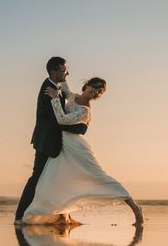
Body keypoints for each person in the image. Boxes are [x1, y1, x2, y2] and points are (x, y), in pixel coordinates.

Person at [22, 77, 144, 226]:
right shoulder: (73, 97)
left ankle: (136, 209)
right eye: (94, 88)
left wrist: (55, 98)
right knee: (61, 178)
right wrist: (64, 75)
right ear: (86, 85)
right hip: (62, 145)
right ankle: (64, 216)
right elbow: (65, 87)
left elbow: (63, 120)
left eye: (99, 92)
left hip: (77, 148)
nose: (95, 92)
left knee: (99, 176)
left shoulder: (85, 111)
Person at [14, 56, 84, 224]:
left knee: (55, 177)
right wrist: (80, 128)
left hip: (50, 141)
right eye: (63, 70)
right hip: (47, 141)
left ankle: (62, 215)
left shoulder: (55, 86)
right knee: (36, 178)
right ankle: (20, 215)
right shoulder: (48, 89)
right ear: (53, 72)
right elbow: (56, 119)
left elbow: (66, 94)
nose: (67, 72)